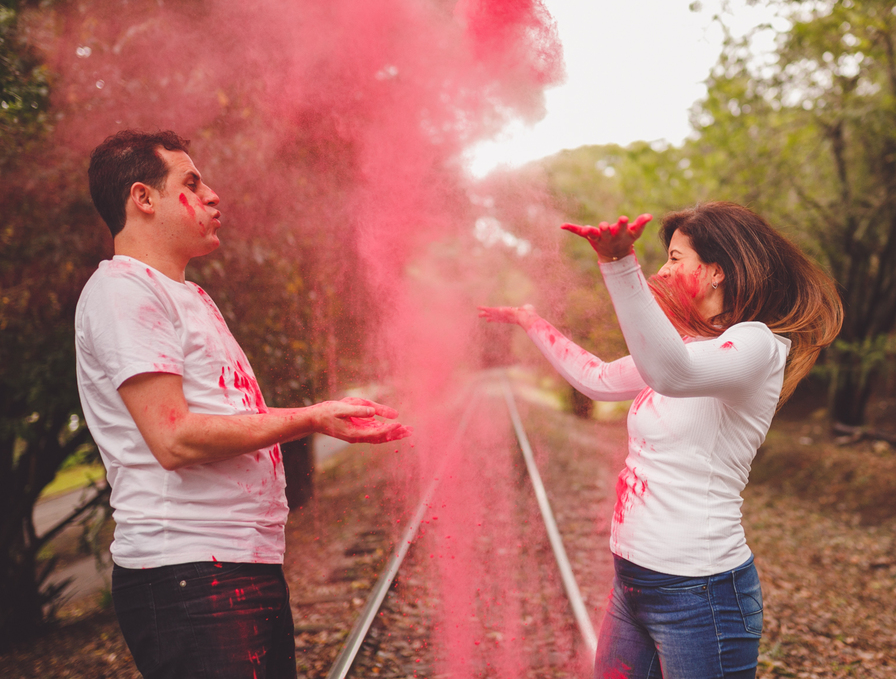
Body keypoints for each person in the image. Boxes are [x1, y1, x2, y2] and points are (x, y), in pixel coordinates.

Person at [76, 129, 410, 679]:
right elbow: (175, 437)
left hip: (231, 565)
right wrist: (310, 418)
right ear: (143, 199)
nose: (212, 196)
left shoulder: (188, 295)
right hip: (188, 573)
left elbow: (222, 416)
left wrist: (320, 415)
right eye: (192, 182)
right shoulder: (124, 291)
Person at [479, 202, 842, 679]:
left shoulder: (756, 346)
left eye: (674, 257)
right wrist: (532, 322)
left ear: (716, 271)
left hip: (701, 594)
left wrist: (619, 265)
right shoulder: (690, 345)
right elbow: (599, 379)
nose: (662, 270)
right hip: (633, 583)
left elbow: (671, 373)